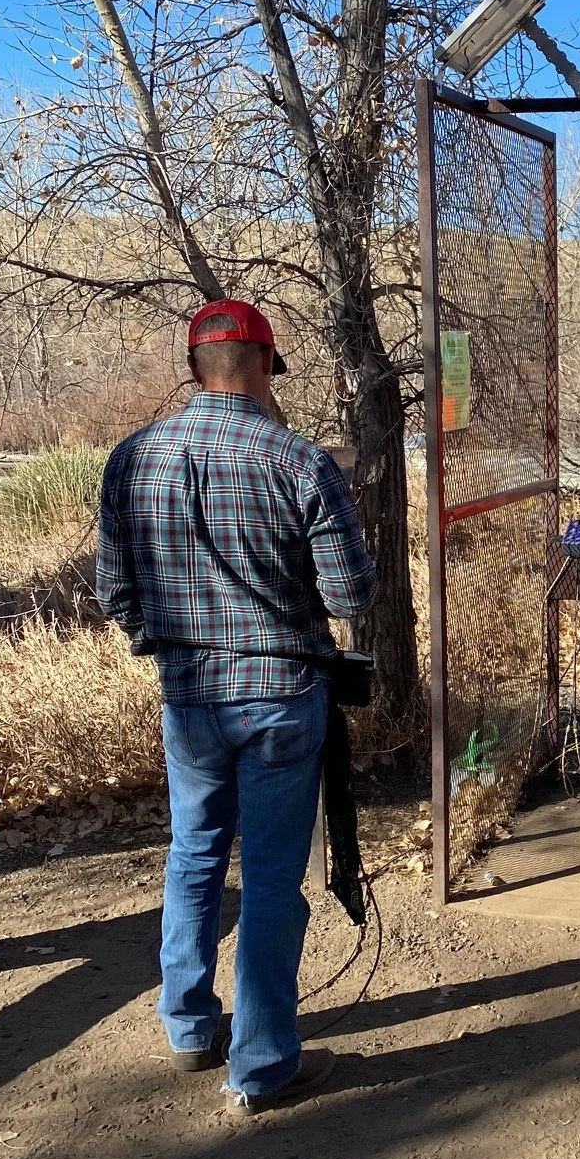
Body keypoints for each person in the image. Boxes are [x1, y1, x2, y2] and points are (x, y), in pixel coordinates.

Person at [97, 298, 376, 1114]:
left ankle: (188, 1026)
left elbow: (117, 593)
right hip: (282, 697)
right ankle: (260, 1064)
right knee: (271, 880)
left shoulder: (131, 459)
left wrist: (167, 648)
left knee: (192, 857)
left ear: (192, 368)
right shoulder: (298, 462)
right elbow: (350, 591)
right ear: (265, 367)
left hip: (189, 700)